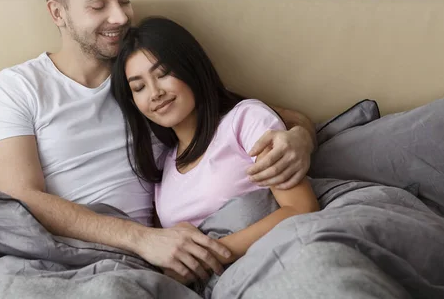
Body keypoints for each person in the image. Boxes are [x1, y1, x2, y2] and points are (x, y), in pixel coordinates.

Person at [0, 0, 317, 283]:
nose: (120, 16)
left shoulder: (145, 76)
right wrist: (143, 239)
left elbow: (240, 110)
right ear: (58, 13)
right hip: (60, 251)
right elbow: (17, 198)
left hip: (135, 266)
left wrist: (301, 138)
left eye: (124, 0)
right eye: (99, 5)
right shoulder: (16, 88)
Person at [110, 17, 320, 283]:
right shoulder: (164, 166)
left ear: (190, 67)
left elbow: (301, 207)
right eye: (139, 87)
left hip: (267, 265)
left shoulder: (244, 120)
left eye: (163, 74)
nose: (155, 93)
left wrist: (209, 256)